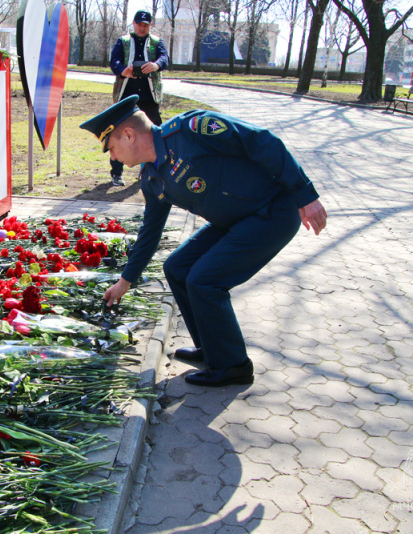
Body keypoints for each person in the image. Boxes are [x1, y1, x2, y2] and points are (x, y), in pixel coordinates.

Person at [79, 95, 328, 387]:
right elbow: (151, 230)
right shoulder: (151, 178)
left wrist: (306, 194)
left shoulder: (191, 130)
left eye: (111, 147)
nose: (112, 156)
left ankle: (233, 366)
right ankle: (212, 350)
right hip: (234, 221)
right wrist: (126, 280)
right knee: (177, 267)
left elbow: (262, 141)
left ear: (130, 135)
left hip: (273, 211)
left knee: (204, 280)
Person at [108, 10, 169, 187]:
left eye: (145, 25)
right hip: (126, 96)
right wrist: (123, 71)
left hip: (149, 98)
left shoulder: (157, 42)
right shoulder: (123, 41)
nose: (142, 28)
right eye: (139, 24)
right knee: (118, 133)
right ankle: (117, 173)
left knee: (155, 134)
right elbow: (114, 62)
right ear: (133, 24)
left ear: (150, 26)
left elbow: (164, 58)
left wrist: (156, 65)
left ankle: (152, 171)